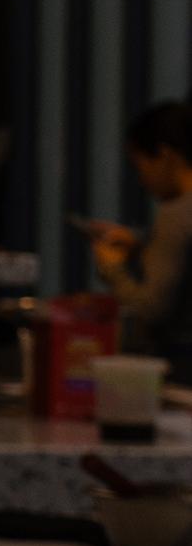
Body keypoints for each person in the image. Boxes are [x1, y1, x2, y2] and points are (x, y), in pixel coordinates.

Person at [93, 99, 192, 373]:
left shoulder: (176, 215)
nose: (142, 179)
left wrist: (111, 268)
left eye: (140, 165)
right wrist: (142, 247)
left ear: (165, 155)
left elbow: (150, 309)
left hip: (179, 369)